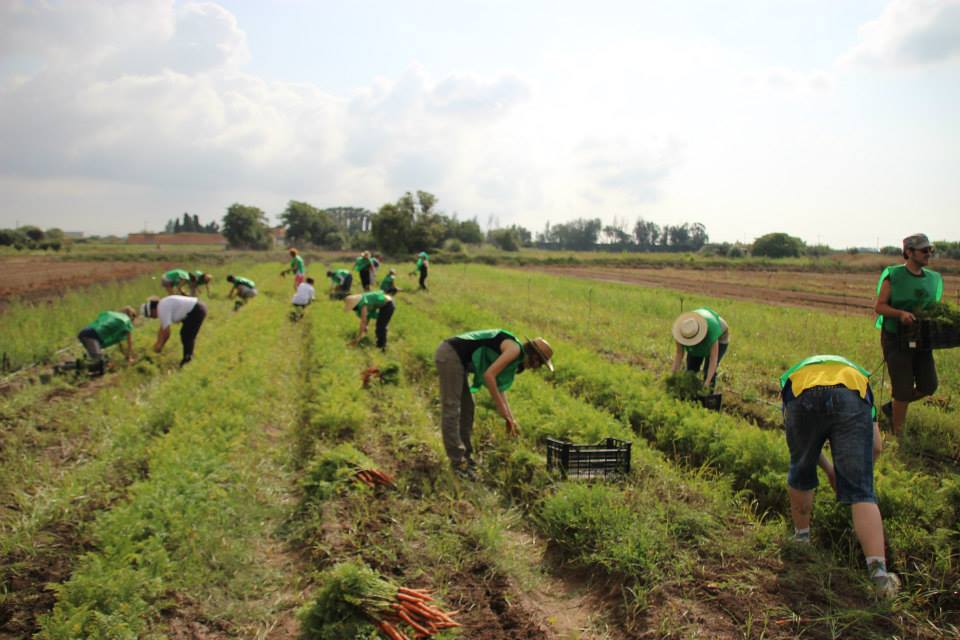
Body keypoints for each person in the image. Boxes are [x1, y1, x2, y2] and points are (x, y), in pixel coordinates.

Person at [779, 354, 898, 598]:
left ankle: (801, 540)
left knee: (800, 469)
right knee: (862, 492)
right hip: (850, 394)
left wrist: (829, 469)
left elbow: (804, 451)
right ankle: (879, 575)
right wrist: (849, 475)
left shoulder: (795, 375)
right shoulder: (861, 379)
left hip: (801, 390)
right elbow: (875, 447)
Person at [434, 330, 554, 479]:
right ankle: (458, 463)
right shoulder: (514, 350)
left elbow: (499, 388)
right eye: (540, 364)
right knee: (452, 409)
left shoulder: (515, 357)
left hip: (459, 361)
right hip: (450, 355)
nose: (536, 368)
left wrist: (511, 419)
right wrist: (502, 410)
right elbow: (489, 376)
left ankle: (466, 458)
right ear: (535, 357)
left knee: (467, 409)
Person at [874, 233, 943, 436]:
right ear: (908, 252)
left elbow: (934, 308)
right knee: (902, 389)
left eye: (930, 250)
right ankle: (898, 435)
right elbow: (880, 307)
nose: (928, 254)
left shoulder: (933, 279)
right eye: (924, 250)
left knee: (929, 385)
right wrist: (900, 314)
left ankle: (891, 408)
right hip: (896, 337)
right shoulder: (894, 276)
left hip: (922, 338)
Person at [140, 295, 207, 367]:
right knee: (186, 334)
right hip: (197, 308)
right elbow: (162, 328)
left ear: (152, 310)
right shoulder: (162, 305)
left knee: (186, 335)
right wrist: (157, 343)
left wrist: (160, 346)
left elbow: (167, 333)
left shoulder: (162, 309)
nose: (153, 318)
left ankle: (187, 359)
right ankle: (188, 357)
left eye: (151, 316)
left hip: (196, 310)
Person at [671, 307, 729, 389]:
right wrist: (672, 376)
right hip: (700, 328)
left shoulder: (712, 332)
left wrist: (707, 382)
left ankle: (708, 393)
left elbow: (713, 359)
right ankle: (690, 391)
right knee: (691, 369)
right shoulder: (683, 330)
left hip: (720, 334)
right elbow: (679, 354)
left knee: (707, 370)